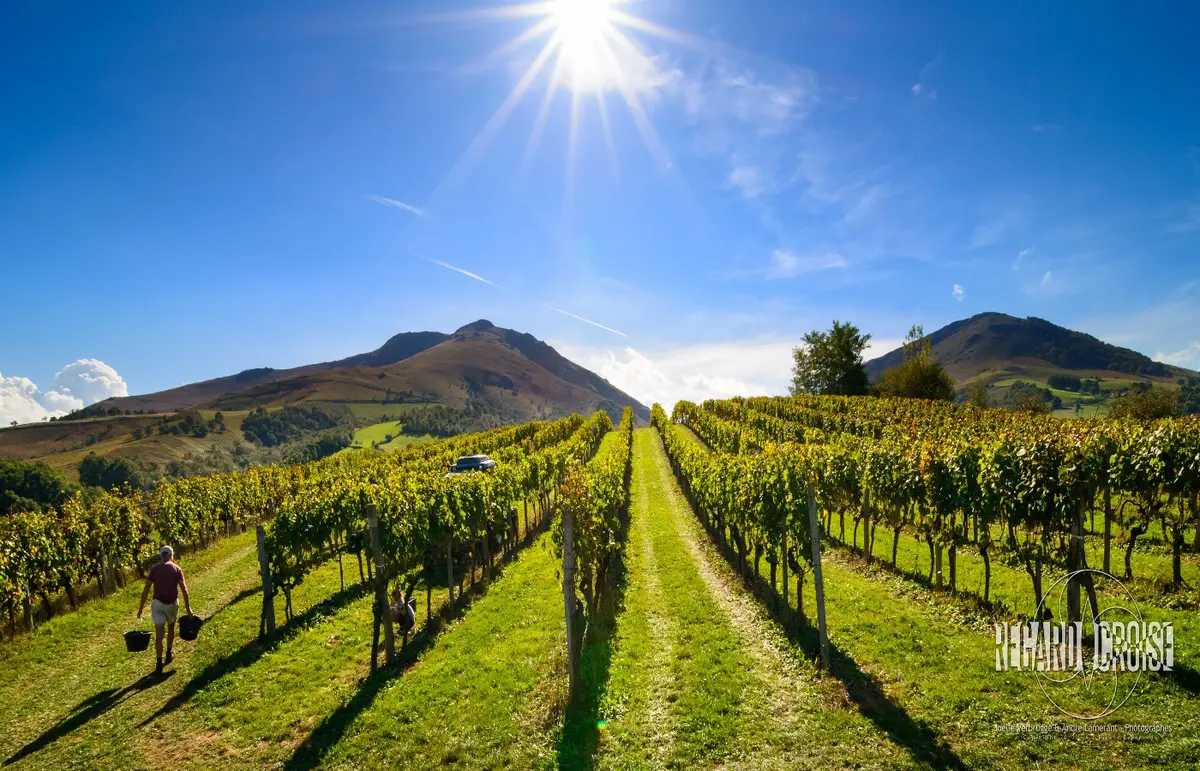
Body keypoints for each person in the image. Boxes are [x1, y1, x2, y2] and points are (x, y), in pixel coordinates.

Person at [137, 545, 193, 674]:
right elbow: (184, 589)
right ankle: (168, 652)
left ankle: (158, 661)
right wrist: (188, 608)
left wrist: (140, 609)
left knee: (159, 634)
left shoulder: (154, 569)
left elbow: (146, 589)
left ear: (161, 555)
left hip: (157, 604)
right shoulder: (177, 569)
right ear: (171, 555)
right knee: (171, 627)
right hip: (172, 604)